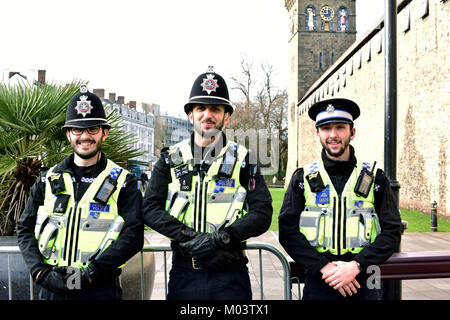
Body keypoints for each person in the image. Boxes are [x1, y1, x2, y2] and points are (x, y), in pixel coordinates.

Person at [142, 67, 273, 300]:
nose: (207, 114)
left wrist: (221, 238)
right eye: (200, 108)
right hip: (185, 274)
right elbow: (150, 208)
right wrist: (188, 237)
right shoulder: (169, 158)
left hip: (231, 275)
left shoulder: (245, 159)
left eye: (215, 109)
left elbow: (262, 212)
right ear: (190, 115)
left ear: (226, 116)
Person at [17, 85, 144, 300]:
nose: (85, 136)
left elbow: (133, 236)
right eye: (77, 129)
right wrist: (39, 271)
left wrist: (92, 273)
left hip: (99, 286)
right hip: (52, 286)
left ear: (104, 133)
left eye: (92, 129)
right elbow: (24, 227)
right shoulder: (47, 179)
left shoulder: (124, 181)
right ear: (68, 134)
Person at [279, 98, 402, 300]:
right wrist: (324, 267)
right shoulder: (302, 178)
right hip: (320, 280)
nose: (333, 135)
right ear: (317, 134)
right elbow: (287, 230)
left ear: (352, 133)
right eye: (326, 128)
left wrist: (356, 265)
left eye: (340, 128)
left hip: (363, 280)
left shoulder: (375, 178)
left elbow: (392, 230)